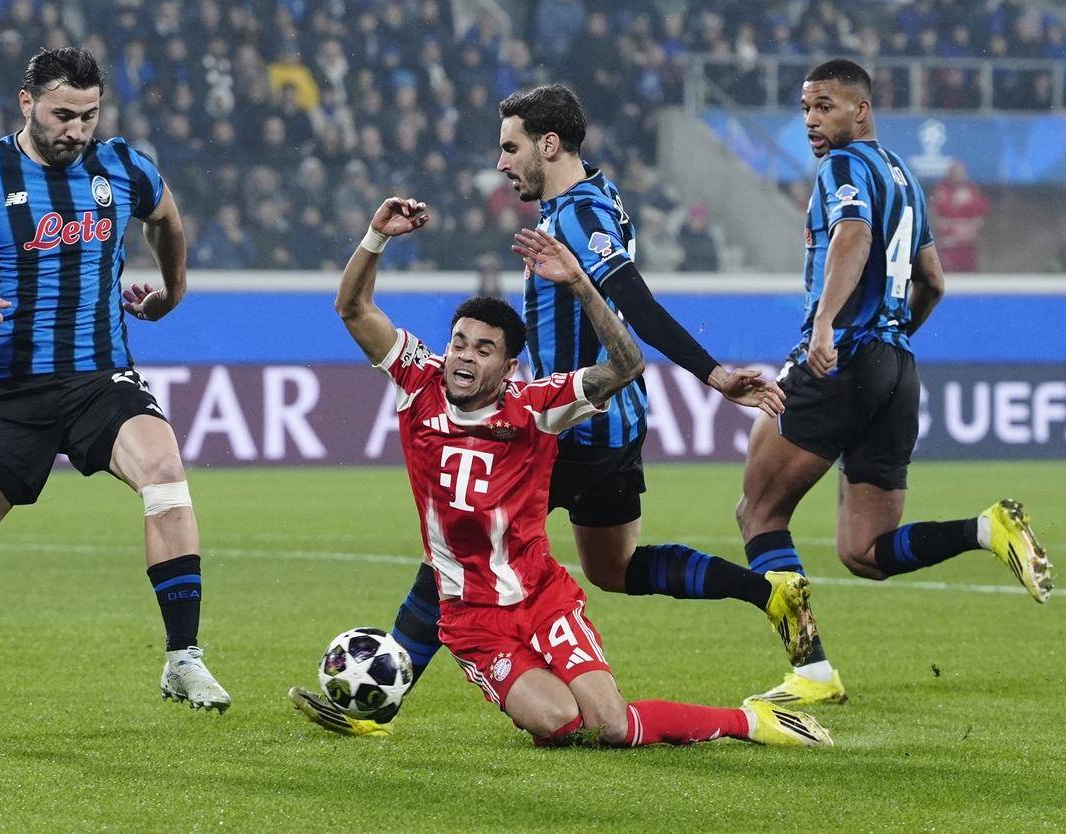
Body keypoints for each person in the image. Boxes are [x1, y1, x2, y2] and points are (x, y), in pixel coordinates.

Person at [292, 84, 812, 737]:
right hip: (614, 423)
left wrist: (714, 375)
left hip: (569, 425)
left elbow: (637, 303)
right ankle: (767, 591)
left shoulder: (576, 217)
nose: (501, 163)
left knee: (456, 550)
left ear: (549, 144)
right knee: (613, 567)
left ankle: (378, 706)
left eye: (510, 149)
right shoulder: (599, 194)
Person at [0, 47, 230, 747]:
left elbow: (166, 219)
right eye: (62, 114)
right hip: (0, 388)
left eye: (88, 115)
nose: (76, 129)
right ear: (27, 103)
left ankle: (183, 656)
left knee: (164, 472)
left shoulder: (123, 166)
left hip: (96, 377)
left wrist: (173, 293)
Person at [735, 59, 1053, 708]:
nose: (811, 121)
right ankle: (985, 529)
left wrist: (827, 325)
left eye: (824, 106)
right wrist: (893, 336)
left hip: (841, 359)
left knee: (759, 512)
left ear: (860, 110)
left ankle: (811, 672)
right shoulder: (901, 174)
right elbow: (933, 280)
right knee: (865, 551)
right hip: (896, 368)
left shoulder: (843, 166)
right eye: (805, 108)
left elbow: (853, 236)